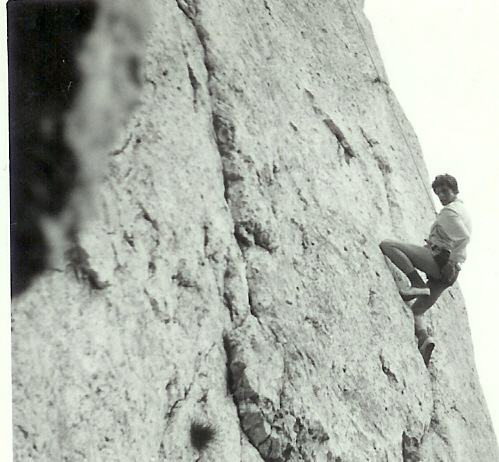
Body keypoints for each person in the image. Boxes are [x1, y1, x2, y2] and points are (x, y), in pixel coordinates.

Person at [379, 174, 472, 365]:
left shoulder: (450, 212)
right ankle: (424, 340)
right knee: (418, 310)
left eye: (445, 191)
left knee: (388, 245)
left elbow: (464, 238)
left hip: (442, 262)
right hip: (449, 274)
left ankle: (416, 282)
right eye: (438, 193)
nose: (442, 196)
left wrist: (451, 261)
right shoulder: (462, 210)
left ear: (455, 190)